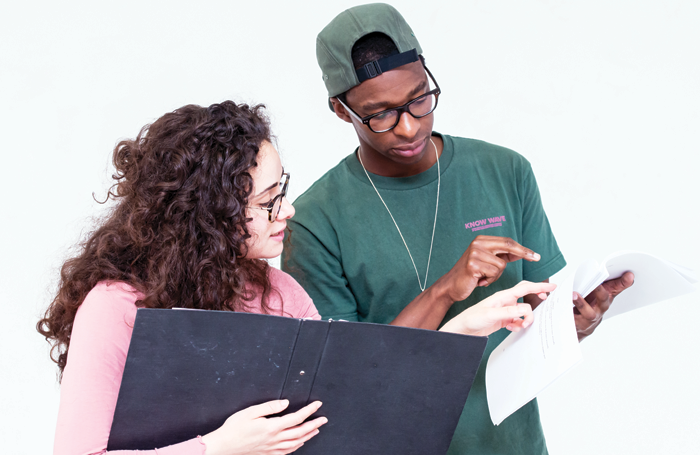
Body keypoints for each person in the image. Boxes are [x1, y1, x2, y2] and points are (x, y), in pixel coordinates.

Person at [38, 100, 556, 455]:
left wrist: (463, 332)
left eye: (280, 190)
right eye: (267, 203)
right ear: (208, 213)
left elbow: (356, 409)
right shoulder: (116, 307)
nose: (286, 211)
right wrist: (218, 447)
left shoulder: (279, 292)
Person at [282, 4, 635, 455]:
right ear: (339, 110)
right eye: (380, 114)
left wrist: (576, 323)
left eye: (418, 99)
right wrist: (445, 289)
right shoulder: (314, 221)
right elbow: (346, 381)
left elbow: (537, 317)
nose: (409, 127)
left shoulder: (504, 170)